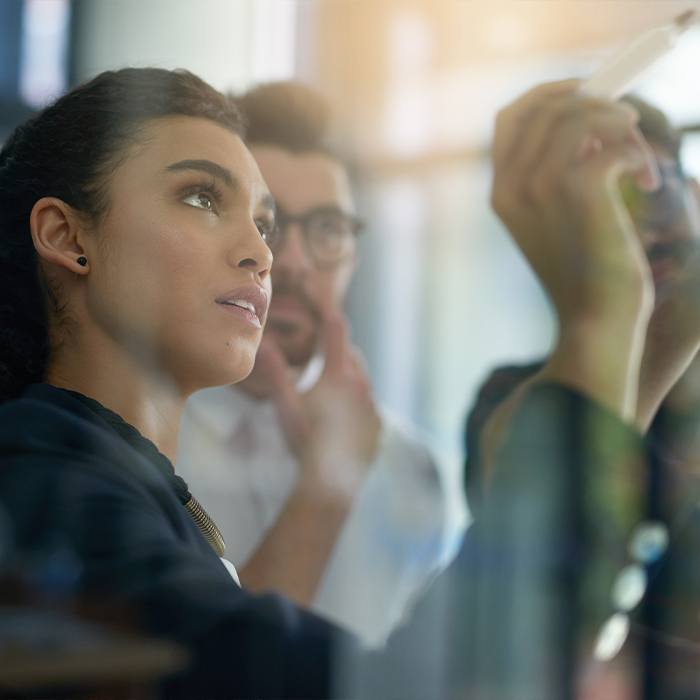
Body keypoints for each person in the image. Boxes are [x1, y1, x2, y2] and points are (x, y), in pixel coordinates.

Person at [0, 68, 686, 698]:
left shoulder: (122, 488)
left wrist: (636, 347)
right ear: (67, 235)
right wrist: (601, 318)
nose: (266, 254)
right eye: (201, 196)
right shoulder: (44, 496)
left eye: (261, 223)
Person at [176, 81, 461, 647]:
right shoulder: (143, 447)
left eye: (328, 229)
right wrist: (330, 479)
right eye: (269, 223)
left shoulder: (409, 467)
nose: (297, 262)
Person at [463, 96, 700, 699]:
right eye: (608, 211)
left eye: (653, 192)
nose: (641, 231)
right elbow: (535, 603)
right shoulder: (517, 403)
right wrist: (662, 325)